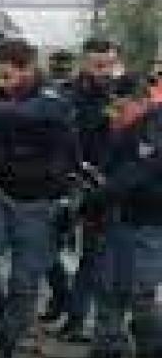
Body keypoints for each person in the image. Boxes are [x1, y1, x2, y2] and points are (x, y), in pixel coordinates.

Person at [0, 39, 80, 358]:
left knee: (24, 283)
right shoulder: (3, 100)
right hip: (5, 197)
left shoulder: (54, 101)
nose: (0, 84)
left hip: (43, 207)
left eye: (7, 76)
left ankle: (5, 347)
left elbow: (28, 115)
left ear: (30, 68)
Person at [55, 38, 137, 341]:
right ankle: (61, 300)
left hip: (107, 187)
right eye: (97, 65)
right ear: (85, 63)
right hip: (69, 180)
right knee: (49, 247)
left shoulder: (127, 94)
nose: (104, 71)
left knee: (94, 256)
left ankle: (77, 320)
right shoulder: (69, 94)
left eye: (109, 65)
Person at [81, 78, 162, 358]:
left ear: (141, 101)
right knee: (109, 284)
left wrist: (96, 198)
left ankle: (151, 347)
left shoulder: (154, 128)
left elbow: (135, 175)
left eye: (120, 108)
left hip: (148, 222)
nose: (115, 115)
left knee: (138, 289)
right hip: (124, 216)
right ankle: (107, 348)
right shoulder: (133, 127)